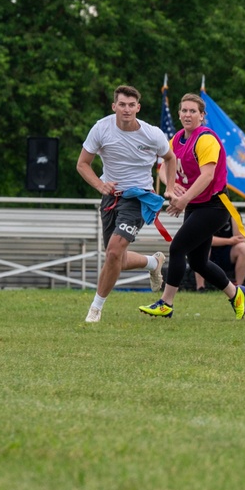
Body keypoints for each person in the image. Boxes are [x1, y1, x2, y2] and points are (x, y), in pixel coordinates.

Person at [138, 93, 245, 320]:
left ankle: (166, 304)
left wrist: (184, 198)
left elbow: (207, 176)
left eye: (192, 111)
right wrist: (171, 188)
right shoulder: (176, 139)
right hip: (195, 204)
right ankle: (234, 293)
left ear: (202, 116)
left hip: (215, 206)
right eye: (184, 110)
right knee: (198, 261)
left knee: (177, 248)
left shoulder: (206, 139)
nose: (187, 115)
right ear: (178, 113)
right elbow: (163, 168)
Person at [77, 85, 178, 323]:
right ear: (114, 107)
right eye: (122, 104)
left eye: (131, 105)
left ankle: (95, 308)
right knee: (116, 259)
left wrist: (170, 189)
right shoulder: (101, 128)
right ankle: (153, 262)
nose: (127, 109)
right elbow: (83, 164)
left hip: (138, 197)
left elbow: (170, 158)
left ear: (138, 108)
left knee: (113, 252)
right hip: (111, 197)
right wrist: (100, 185)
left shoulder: (152, 133)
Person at [194, 216, 245, 292]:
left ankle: (238, 287)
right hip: (209, 252)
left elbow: (240, 238)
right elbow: (203, 238)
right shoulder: (204, 212)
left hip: (227, 253)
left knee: (244, 248)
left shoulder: (232, 213)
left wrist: (234, 217)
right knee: (202, 247)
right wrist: (229, 241)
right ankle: (200, 287)